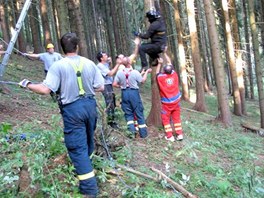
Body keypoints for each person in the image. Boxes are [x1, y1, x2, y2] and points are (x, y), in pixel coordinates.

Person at [19, 32, 105, 197]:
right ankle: (87, 169)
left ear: (61, 48)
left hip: (72, 109)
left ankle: (89, 189)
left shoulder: (58, 66)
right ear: (77, 46)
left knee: (77, 147)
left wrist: (28, 84)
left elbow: (45, 89)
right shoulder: (89, 63)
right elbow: (100, 87)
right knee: (87, 142)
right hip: (90, 106)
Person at [113, 56, 151, 138]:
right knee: (139, 112)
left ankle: (132, 133)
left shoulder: (119, 73)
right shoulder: (135, 72)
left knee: (128, 113)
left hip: (124, 93)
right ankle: (143, 134)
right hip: (134, 93)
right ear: (129, 63)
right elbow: (142, 81)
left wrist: (122, 86)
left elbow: (114, 84)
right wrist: (147, 72)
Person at [156, 58, 183, 142]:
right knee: (176, 118)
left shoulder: (161, 78)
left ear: (164, 71)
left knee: (166, 119)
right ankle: (179, 134)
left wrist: (159, 64)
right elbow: (169, 62)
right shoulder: (174, 75)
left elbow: (157, 73)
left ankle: (169, 136)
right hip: (176, 101)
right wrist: (165, 53)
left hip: (166, 103)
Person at [96, 51, 121, 129]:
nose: (107, 56)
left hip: (109, 84)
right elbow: (110, 73)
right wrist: (118, 64)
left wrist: (109, 63)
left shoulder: (105, 64)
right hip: (105, 85)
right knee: (109, 103)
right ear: (101, 58)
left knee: (112, 101)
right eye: (105, 55)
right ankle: (110, 122)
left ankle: (112, 119)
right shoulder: (100, 65)